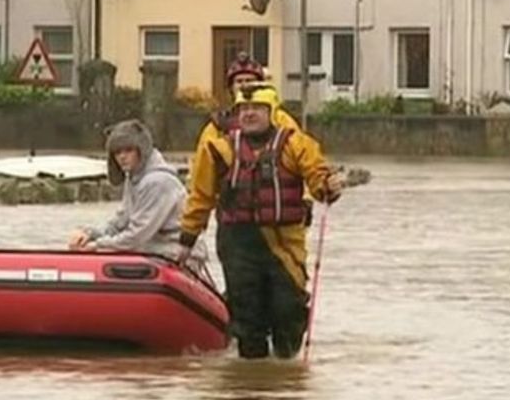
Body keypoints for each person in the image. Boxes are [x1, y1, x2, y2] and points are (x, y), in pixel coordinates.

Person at [178, 85, 344, 360]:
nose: (249, 114)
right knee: (247, 317)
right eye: (244, 109)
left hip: (283, 243)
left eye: (256, 109)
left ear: (271, 112)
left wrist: (329, 186)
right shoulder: (219, 149)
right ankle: (252, 379)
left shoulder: (295, 144)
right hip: (237, 244)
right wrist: (186, 240)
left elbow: (317, 176)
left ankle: (285, 367)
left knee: (288, 310)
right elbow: (201, 197)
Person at [68, 119, 190, 260]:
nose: (122, 157)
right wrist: (89, 234)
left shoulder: (157, 182)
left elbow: (137, 235)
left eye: (128, 150)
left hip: (176, 253)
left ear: (142, 150)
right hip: (153, 249)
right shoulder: (134, 177)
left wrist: (97, 246)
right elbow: (120, 223)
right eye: (117, 152)